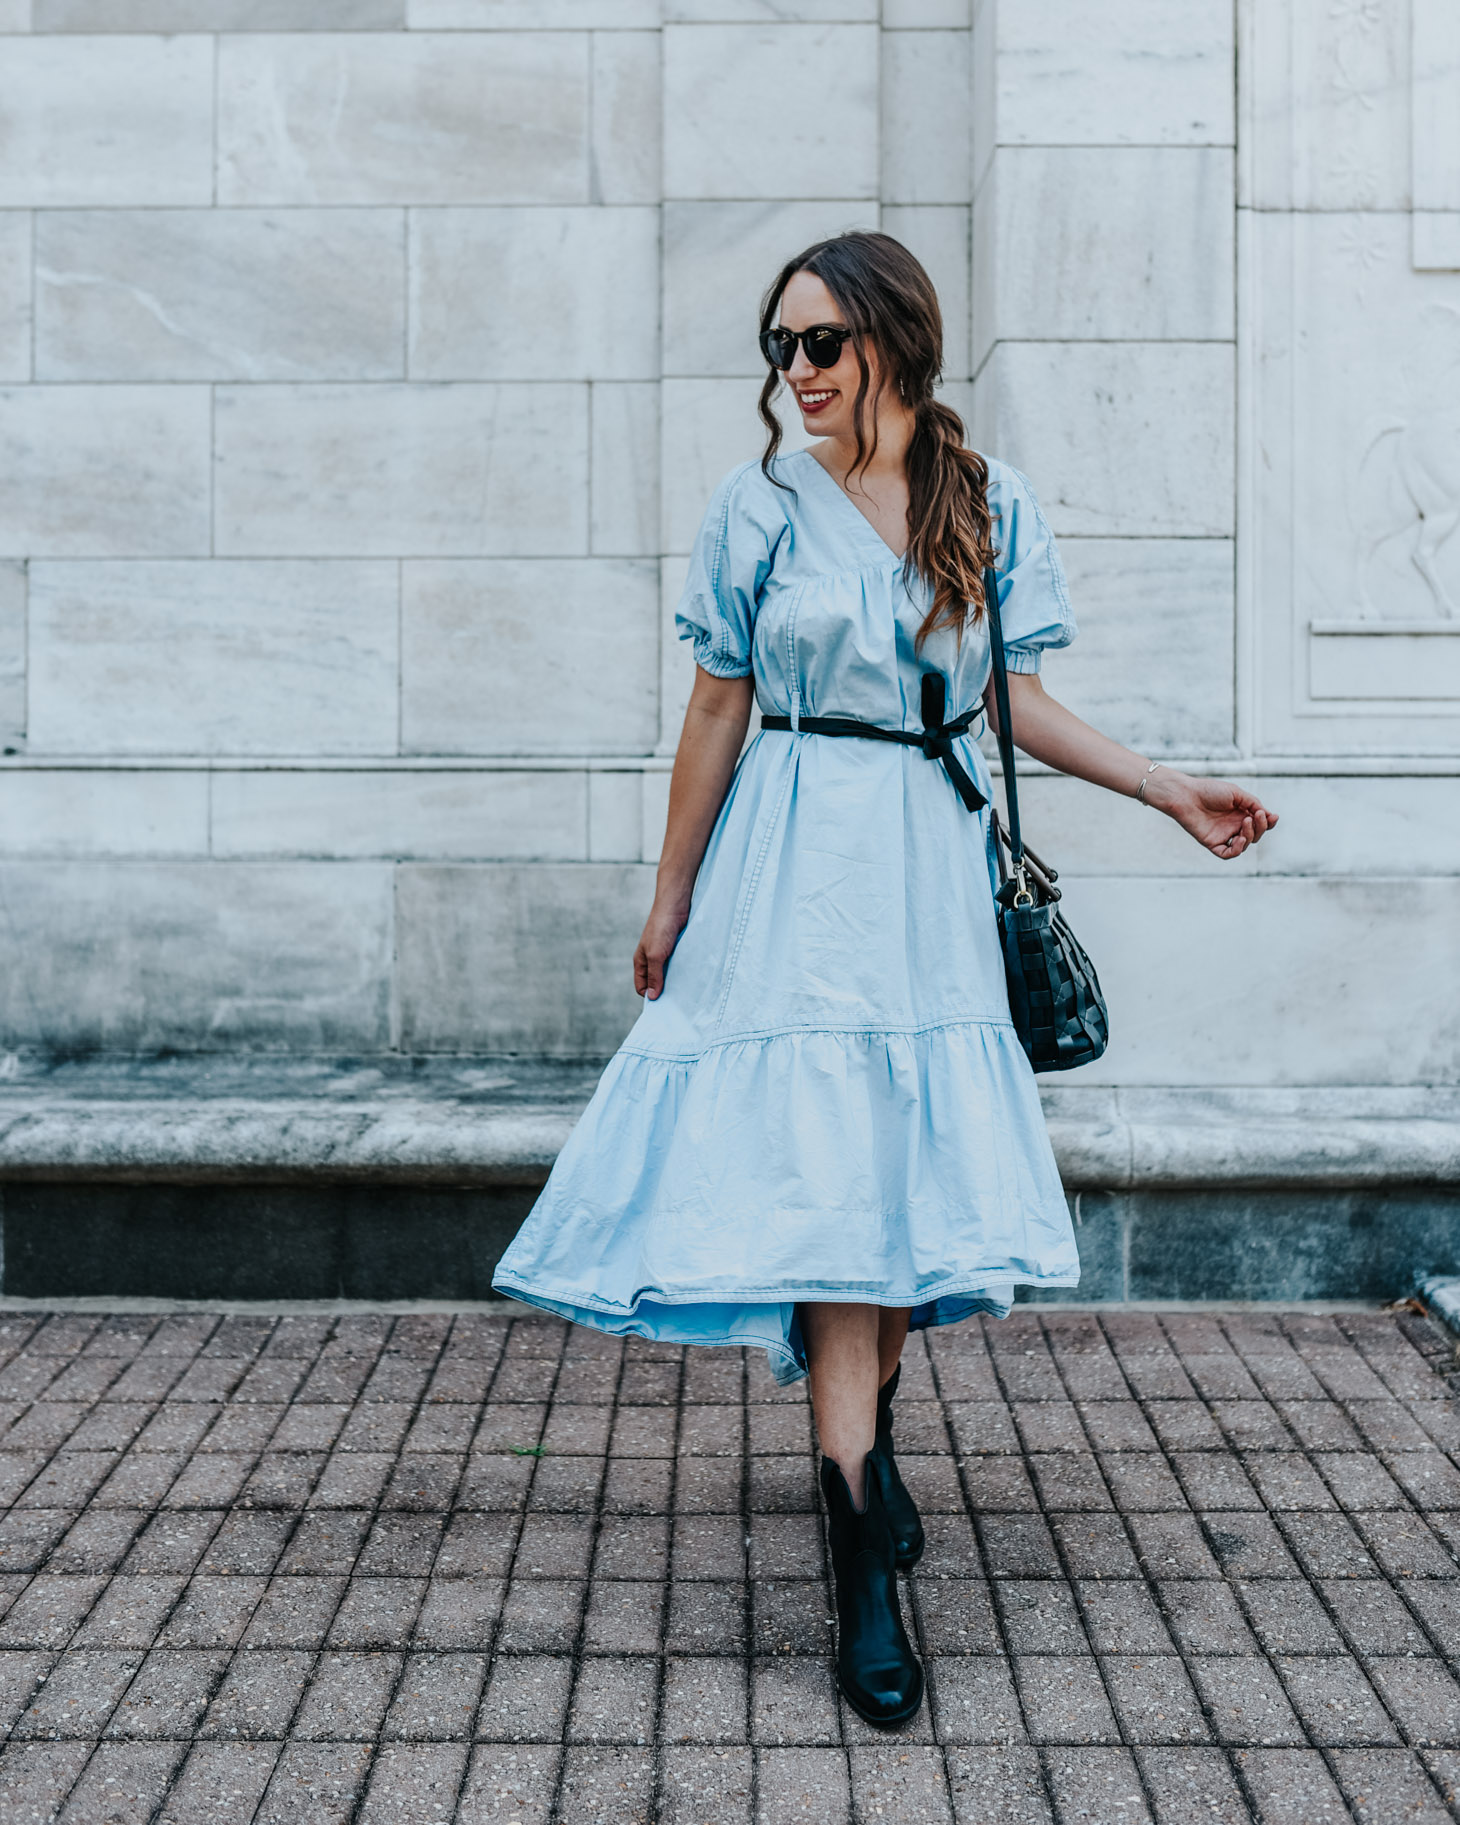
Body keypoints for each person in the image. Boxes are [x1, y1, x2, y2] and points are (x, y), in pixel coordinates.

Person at [494, 231, 1276, 1726]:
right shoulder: (756, 508)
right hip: (786, 866)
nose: (795, 375)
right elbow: (715, 710)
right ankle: (862, 1565)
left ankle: (870, 1437)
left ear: (894, 346)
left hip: (920, 864)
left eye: (822, 346)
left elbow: (1017, 705)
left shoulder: (984, 502)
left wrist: (1168, 789)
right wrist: (669, 897)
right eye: (780, 347)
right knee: (833, 1203)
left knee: (895, 1189)